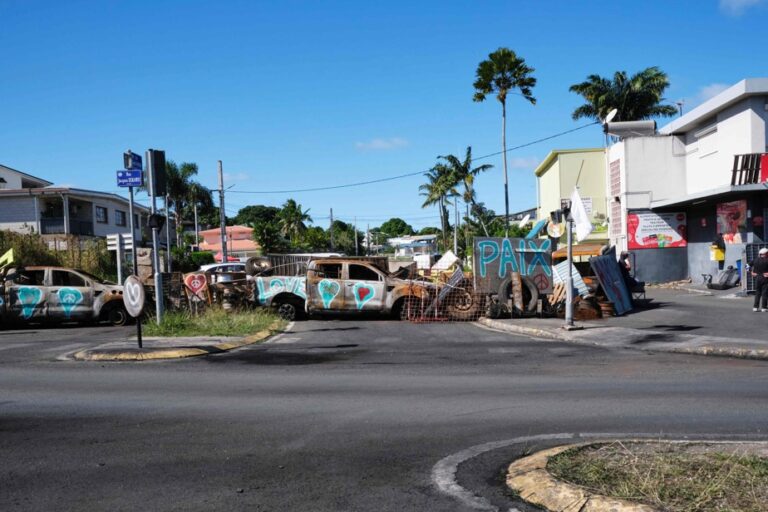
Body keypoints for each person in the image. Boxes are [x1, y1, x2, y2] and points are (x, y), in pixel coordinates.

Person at [750, 248, 768, 312]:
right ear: (766, 254)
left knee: (757, 293)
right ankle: (764, 307)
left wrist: (751, 272)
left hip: (757, 277)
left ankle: (755, 307)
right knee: (764, 293)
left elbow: (747, 266)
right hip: (765, 278)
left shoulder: (755, 260)